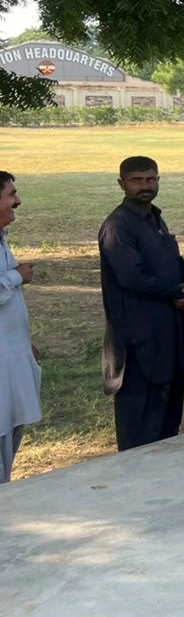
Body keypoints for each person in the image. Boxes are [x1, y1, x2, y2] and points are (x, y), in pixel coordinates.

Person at [99, 156, 184, 451]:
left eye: (151, 179)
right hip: (138, 340)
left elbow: (173, 260)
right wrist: (175, 290)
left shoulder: (154, 218)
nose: (145, 186)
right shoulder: (118, 226)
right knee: (140, 429)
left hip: (167, 334)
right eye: (137, 180)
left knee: (168, 422)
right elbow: (132, 278)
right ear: (122, 184)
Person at [1, 172, 41, 482]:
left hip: (12, 354)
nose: (18, 201)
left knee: (11, 429)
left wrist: (26, 343)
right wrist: (17, 276)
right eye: (11, 194)